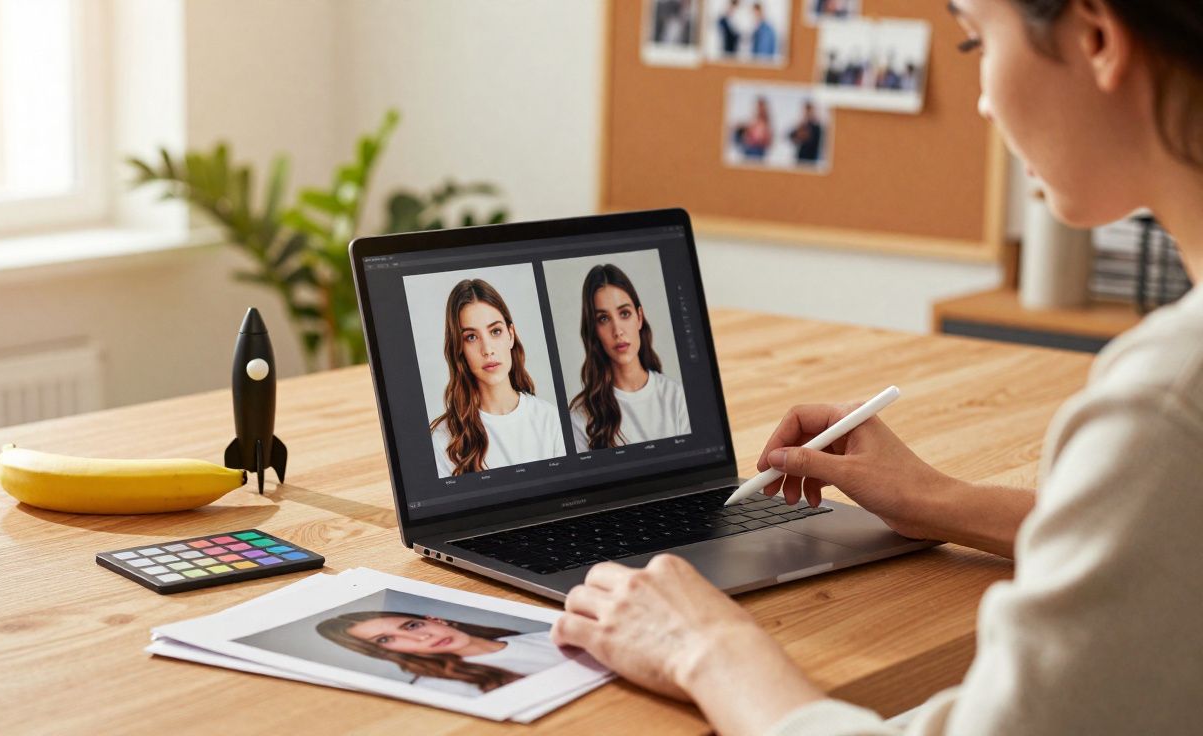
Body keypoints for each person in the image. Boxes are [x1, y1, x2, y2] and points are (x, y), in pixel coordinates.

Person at [552, 1, 1203, 734]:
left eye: (974, 43)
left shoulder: (1166, 402)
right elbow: (1167, 543)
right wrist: (941, 501)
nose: (984, 101)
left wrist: (705, 645)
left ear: (1096, 38)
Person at [429, 279, 564, 478]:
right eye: (471, 337)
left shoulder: (551, 420)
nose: (487, 350)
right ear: (459, 349)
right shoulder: (443, 440)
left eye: (495, 331)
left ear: (511, 334)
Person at [569, 264, 690, 450]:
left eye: (624, 314)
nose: (617, 331)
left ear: (639, 317)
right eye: (603, 318)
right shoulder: (580, 416)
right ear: (594, 330)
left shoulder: (677, 398)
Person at [317, 611, 566, 697]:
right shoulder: (440, 689)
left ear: (435, 619)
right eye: (386, 639)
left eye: (412, 626)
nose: (421, 637)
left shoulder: (548, 637)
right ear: (384, 652)